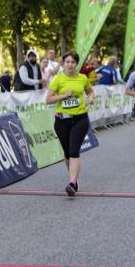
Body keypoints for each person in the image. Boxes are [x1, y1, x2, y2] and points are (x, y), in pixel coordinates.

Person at [46, 51, 95, 196]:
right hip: (62, 120)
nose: (70, 65)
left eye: (73, 62)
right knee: (67, 153)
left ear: (76, 64)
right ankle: (73, 179)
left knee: (74, 151)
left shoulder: (82, 78)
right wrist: (63, 96)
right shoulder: (58, 79)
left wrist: (91, 98)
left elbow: (90, 91)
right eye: (67, 62)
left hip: (80, 118)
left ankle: (72, 183)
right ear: (63, 63)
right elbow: (48, 100)